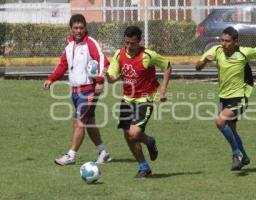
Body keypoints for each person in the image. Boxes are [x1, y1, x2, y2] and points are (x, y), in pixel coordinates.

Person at [195, 26, 256, 171]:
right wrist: (205, 61)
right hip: (224, 97)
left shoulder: (244, 52)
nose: (223, 44)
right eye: (222, 40)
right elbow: (197, 67)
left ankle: (236, 154)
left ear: (235, 42)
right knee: (232, 130)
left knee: (220, 121)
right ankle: (244, 156)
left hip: (240, 97)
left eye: (227, 41)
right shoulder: (216, 50)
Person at [43, 14, 112, 166]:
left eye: (81, 28)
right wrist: (51, 79)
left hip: (89, 91)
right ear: (71, 28)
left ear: (85, 28)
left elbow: (103, 61)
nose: (79, 31)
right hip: (75, 91)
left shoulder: (91, 43)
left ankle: (71, 155)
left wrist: (100, 81)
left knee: (80, 122)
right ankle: (103, 152)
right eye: (76, 28)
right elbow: (63, 64)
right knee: (89, 122)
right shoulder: (69, 44)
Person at [106, 26, 172, 177]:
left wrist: (163, 89)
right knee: (127, 135)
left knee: (134, 134)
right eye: (127, 43)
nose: (129, 46)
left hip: (145, 98)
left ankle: (149, 141)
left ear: (139, 42)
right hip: (127, 98)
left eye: (133, 43)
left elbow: (167, 66)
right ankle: (143, 166)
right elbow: (113, 77)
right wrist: (108, 77)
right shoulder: (119, 54)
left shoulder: (148, 55)